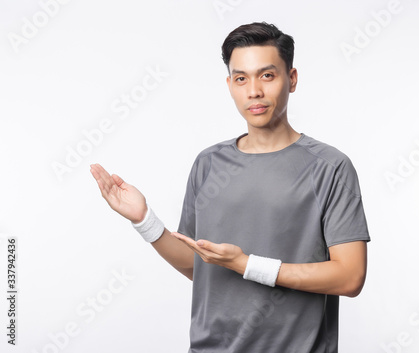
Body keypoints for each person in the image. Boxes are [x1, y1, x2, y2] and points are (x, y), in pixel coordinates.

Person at [90, 22, 370, 353]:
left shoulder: (330, 167)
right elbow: (201, 266)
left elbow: (350, 277)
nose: (254, 91)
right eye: (241, 78)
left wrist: (246, 264)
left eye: (267, 75)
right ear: (230, 85)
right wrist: (144, 221)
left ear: (291, 79)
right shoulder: (208, 163)